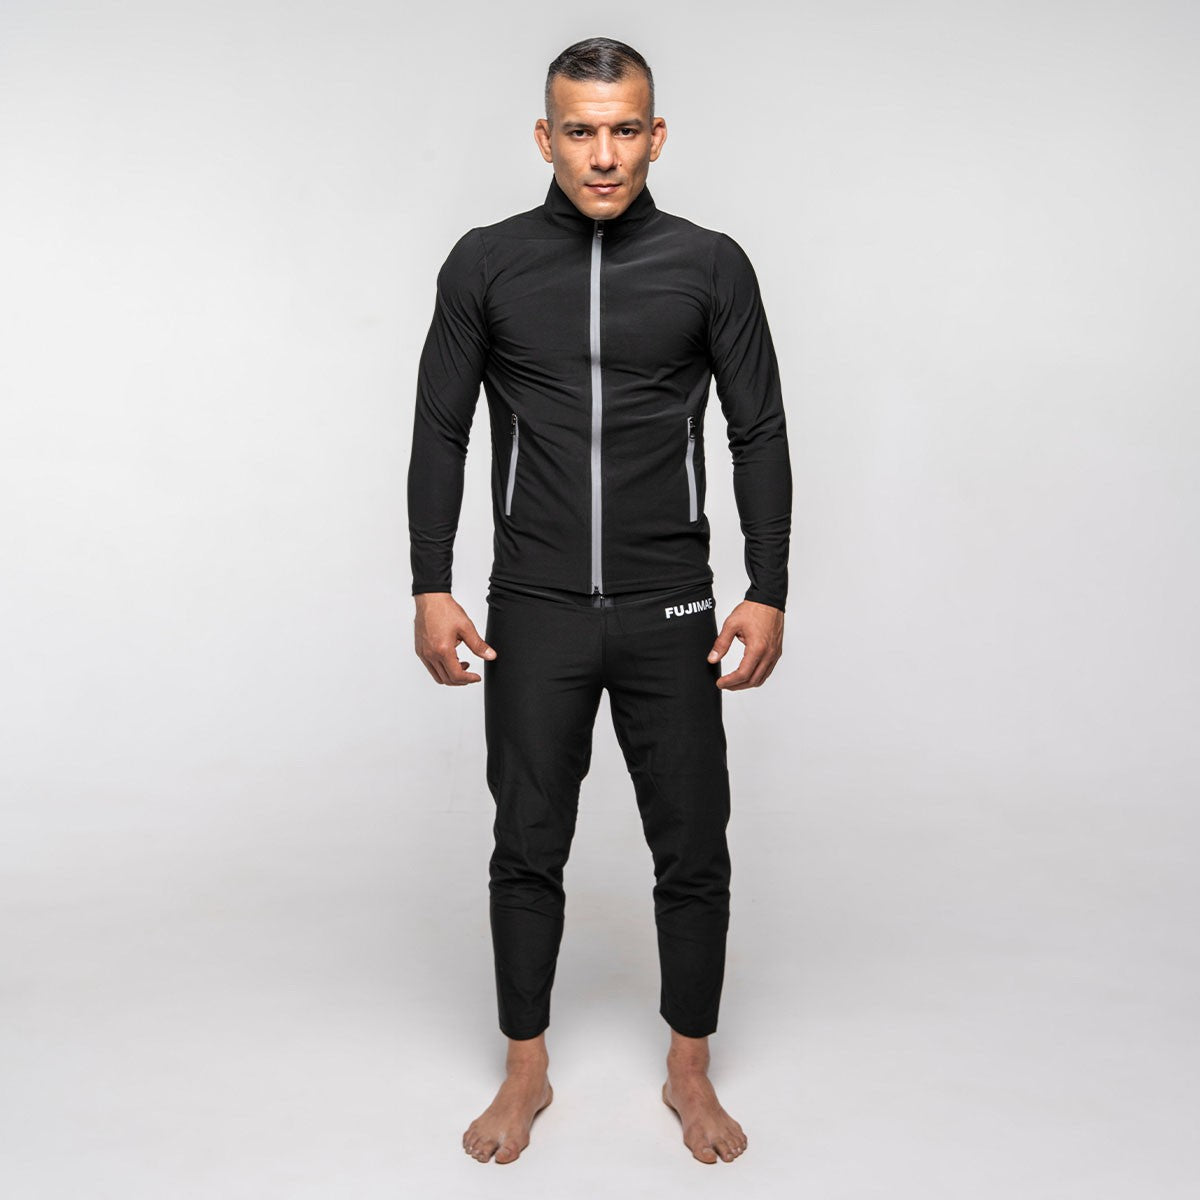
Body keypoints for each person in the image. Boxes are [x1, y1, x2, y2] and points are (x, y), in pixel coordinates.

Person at [407, 36, 791, 1166]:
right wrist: (430, 582)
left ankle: (689, 1067)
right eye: (581, 130)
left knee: (694, 845)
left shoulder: (710, 265)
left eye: (625, 130)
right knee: (526, 842)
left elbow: (758, 429)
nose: (605, 154)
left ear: (656, 135)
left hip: (672, 603)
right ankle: (526, 1068)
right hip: (535, 606)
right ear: (547, 137)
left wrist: (768, 587)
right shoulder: (486, 263)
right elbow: (441, 428)